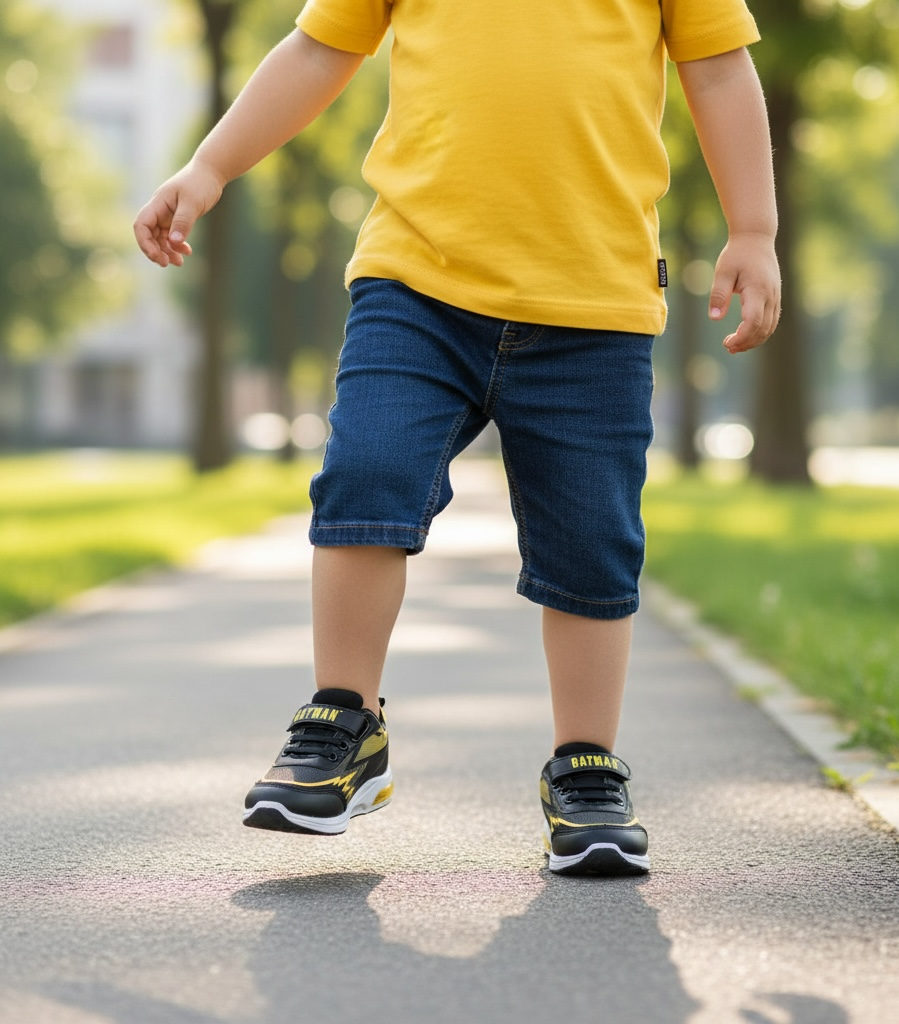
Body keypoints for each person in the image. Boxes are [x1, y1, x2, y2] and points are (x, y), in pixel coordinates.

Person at [134, 0, 780, 876]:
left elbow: (717, 66)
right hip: (418, 280)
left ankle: (585, 767)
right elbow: (321, 47)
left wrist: (754, 228)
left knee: (593, 535)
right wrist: (211, 167)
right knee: (366, 467)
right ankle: (343, 720)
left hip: (593, 300)